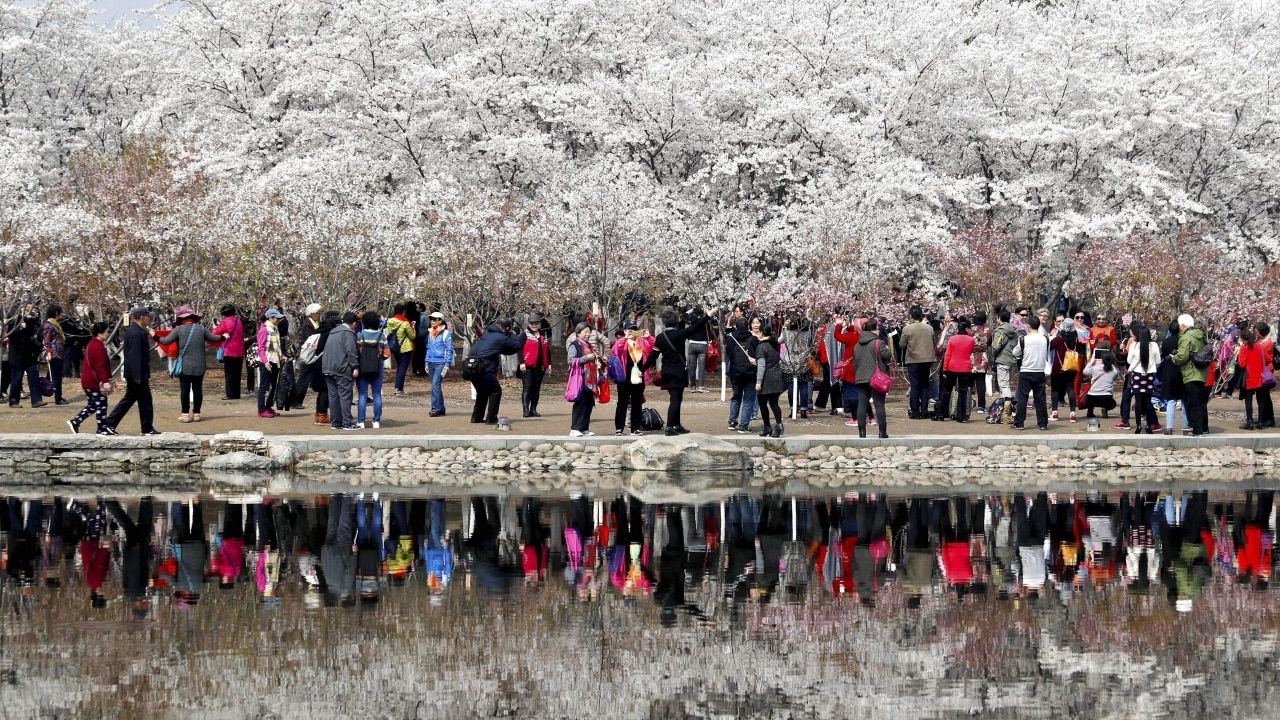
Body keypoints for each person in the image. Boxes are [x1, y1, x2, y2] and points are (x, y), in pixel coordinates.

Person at [642, 307, 711, 435]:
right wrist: (708, 316)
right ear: (675, 322)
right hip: (678, 372)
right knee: (675, 400)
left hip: (666, 372)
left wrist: (642, 369)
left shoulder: (660, 337)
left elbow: (653, 356)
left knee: (676, 398)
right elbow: (695, 327)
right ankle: (669, 427)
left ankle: (676, 424)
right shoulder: (680, 334)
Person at [156, 306, 223, 423]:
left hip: (184, 365)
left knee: (185, 389)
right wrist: (224, 336)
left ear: (182, 319)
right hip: (200, 365)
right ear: (193, 318)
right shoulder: (201, 328)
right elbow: (215, 339)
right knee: (198, 389)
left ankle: (185, 414)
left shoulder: (178, 330)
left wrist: (154, 335)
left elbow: (166, 341)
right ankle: (197, 414)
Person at [103, 308, 160, 436]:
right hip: (137, 374)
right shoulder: (135, 333)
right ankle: (109, 424)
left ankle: (146, 428)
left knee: (143, 400)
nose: (149, 319)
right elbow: (134, 355)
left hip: (139, 373)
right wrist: (137, 375)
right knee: (132, 399)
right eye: (148, 316)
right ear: (141, 317)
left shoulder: (138, 331)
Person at [467, 319, 524, 425]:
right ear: (506, 328)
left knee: (482, 392)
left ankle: (477, 417)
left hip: (471, 367)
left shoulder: (486, 334)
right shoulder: (499, 337)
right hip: (484, 368)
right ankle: (491, 418)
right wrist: (513, 334)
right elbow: (516, 346)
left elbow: (507, 350)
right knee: (495, 391)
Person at [68, 322, 113, 435]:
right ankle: (101, 428)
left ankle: (76, 421)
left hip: (88, 380)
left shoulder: (92, 343)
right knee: (101, 405)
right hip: (94, 381)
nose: (108, 334)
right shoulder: (98, 346)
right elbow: (100, 366)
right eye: (107, 331)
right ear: (100, 333)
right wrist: (106, 381)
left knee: (93, 405)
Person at [611, 320, 654, 436]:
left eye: (634, 330)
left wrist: (648, 337)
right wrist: (625, 338)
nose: (632, 332)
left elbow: (652, 349)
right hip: (624, 377)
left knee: (637, 402)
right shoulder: (621, 342)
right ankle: (619, 428)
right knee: (622, 402)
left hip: (639, 376)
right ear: (624, 330)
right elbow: (616, 351)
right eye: (629, 329)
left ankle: (635, 427)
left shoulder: (642, 342)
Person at [852, 317, 893, 438]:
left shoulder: (857, 345)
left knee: (862, 404)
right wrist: (888, 349)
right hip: (876, 377)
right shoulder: (878, 343)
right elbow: (887, 355)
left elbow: (855, 362)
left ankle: (862, 432)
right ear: (874, 330)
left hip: (860, 377)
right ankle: (882, 432)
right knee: (879, 404)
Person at [1170, 314, 1210, 436]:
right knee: (1199, 401)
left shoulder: (1186, 337)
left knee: (1192, 402)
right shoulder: (1200, 335)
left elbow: (1182, 357)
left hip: (1191, 373)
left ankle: (1197, 430)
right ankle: (1203, 428)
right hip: (1202, 372)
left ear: (1182, 325)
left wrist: (1173, 358)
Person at [1011, 315, 1050, 431]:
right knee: (1040, 398)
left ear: (1029, 326)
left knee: (1022, 398)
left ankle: (1019, 423)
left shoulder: (1023, 339)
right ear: (1039, 325)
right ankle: (1043, 423)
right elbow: (1046, 353)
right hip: (1039, 371)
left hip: (1026, 371)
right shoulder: (1045, 339)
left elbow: (1015, 353)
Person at [322, 311, 360, 431]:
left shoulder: (333, 332)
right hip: (341, 368)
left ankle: (336, 422)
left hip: (328, 367)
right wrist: (355, 367)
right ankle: (348, 422)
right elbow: (351, 352)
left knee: (333, 396)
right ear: (354, 323)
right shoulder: (348, 334)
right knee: (345, 396)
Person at [1124, 324, 1162, 433]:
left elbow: (1129, 361)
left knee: (1138, 400)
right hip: (1149, 375)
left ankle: (1139, 426)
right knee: (1148, 402)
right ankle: (1149, 425)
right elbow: (1158, 361)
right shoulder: (1154, 345)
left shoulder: (1134, 346)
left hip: (1137, 374)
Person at [901, 305, 936, 420]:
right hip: (927, 360)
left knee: (915, 386)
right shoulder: (929, 328)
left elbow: (901, 344)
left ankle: (915, 411)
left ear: (911, 316)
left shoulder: (907, 329)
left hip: (913, 360)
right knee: (925, 385)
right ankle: (924, 411)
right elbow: (934, 342)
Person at [5, 305, 44, 408]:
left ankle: (36, 400)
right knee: (17, 378)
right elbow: (11, 335)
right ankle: (13, 400)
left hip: (29, 353)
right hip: (17, 354)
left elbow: (36, 333)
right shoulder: (14, 320)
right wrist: (21, 327)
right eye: (27, 308)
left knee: (33, 376)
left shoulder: (32, 319)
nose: (30, 310)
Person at [355, 310, 389, 429]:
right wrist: (378, 360)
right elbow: (387, 353)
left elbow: (356, 353)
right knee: (377, 395)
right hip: (377, 368)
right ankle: (376, 421)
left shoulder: (360, 336)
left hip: (363, 368)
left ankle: (361, 421)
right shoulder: (382, 336)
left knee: (363, 395)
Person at [937, 318, 975, 422]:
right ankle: (961, 416)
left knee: (947, 390)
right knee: (963, 392)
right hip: (965, 367)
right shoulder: (971, 340)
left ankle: (941, 414)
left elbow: (948, 354)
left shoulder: (952, 339)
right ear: (966, 329)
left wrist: (944, 369)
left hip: (952, 366)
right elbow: (971, 352)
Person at [725, 317, 759, 433]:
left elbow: (729, 354)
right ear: (748, 327)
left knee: (736, 397)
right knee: (748, 400)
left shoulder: (731, 339)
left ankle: (732, 422)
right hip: (750, 374)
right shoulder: (753, 339)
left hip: (736, 373)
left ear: (736, 327)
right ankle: (743, 426)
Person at [565, 322, 598, 437]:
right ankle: (575, 428)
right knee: (580, 402)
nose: (588, 334)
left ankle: (584, 428)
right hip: (580, 378)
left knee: (589, 403)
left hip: (590, 379)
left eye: (589, 332)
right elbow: (571, 360)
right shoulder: (575, 345)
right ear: (578, 333)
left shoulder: (589, 345)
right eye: (586, 332)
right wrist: (586, 358)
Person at [753, 327, 786, 438]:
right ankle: (779, 425)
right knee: (774, 403)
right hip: (777, 377)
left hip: (766, 379)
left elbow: (762, 366)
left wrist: (758, 382)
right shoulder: (775, 345)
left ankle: (767, 426)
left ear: (762, 333)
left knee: (763, 404)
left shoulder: (761, 347)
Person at [1049, 318, 1082, 422]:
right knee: (1070, 389)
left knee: (1055, 389)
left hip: (1059, 367)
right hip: (1071, 368)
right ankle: (1073, 413)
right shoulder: (1076, 340)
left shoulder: (1058, 339)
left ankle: (1054, 412)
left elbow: (1049, 346)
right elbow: (1080, 350)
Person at [424, 311, 455, 417]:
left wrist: (447, 365)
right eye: (431, 319)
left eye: (435, 319)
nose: (432, 321)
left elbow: (449, 349)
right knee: (436, 386)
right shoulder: (430, 333)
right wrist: (426, 362)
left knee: (435, 385)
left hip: (440, 363)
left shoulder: (446, 333)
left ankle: (435, 408)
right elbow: (428, 348)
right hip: (431, 363)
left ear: (440, 321)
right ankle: (441, 408)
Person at [212, 304, 246, 400]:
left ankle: (230, 393)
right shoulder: (238, 322)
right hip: (239, 350)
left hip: (229, 350)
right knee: (237, 373)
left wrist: (215, 327)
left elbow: (215, 333)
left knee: (229, 373)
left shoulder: (225, 322)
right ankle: (236, 393)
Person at [520, 315, 551, 418]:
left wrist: (549, 363)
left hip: (540, 366)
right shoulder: (525, 334)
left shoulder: (543, 334)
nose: (534, 325)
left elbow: (547, 350)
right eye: (532, 323)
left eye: (536, 323)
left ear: (540, 324)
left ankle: (533, 409)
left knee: (536, 388)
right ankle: (526, 410)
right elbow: (518, 349)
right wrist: (521, 363)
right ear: (528, 324)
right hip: (527, 366)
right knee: (527, 388)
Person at [1235, 327, 1266, 430]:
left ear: (1243, 339)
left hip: (1249, 377)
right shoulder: (1259, 346)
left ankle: (1250, 422)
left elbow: (1242, 364)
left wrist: (1239, 353)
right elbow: (1267, 358)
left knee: (1248, 400)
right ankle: (1261, 421)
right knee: (1260, 399)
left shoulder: (1244, 348)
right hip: (1260, 376)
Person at [40, 305, 70, 405]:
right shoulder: (48, 325)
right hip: (54, 353)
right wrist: (48, 353)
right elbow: (46, 340)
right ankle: (58, 397)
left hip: (59, 353)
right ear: (56, 313)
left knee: (53, 375)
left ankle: (46, 390)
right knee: (56, 376)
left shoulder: (55, 324)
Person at [385, 303, 416, 396]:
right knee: (402, 369)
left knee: (399, 368)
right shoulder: (406, 323)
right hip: (405, 348)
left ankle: (397, 387)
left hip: (395, 347)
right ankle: (399, 389)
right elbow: (412, 336)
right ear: (403, 311)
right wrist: (413, 328)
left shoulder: (390, 321)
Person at [685, 312, 717, 393]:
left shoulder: (692, 319)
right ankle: (701, 386)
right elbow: (710, 333)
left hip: (692, 344)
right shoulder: (704, 321)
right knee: (701, 367)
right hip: (702, 344)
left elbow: (684, 315)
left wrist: (691, 310)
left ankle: (692, 387)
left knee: (692, 367)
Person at [991, 309, 1019, 400]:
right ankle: (1005, 407)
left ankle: (1007, 409)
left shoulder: (1000, 331)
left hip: (1002, 360)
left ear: (999, 318)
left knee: (1004, 386)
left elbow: (996, 347)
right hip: (1013, 361)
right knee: (1007, 384)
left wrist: (993, 354)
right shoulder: (1014, 331)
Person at [1083, 350, 1119, 419]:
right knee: (1113, 404)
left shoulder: (1095, 368)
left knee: (1090, 397)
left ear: (1102, 360)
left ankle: (1090, 412)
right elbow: (1116, 374)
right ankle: (1105, 408)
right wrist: (1111, 362)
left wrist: (1091, 361)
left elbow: (1084, 371)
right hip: (1106, 398)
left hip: (1092, 397)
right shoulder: (1113, 371)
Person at [1256, 322, 1275, 428]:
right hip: (1261, 370)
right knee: (1261, 396)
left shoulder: (1267, 343)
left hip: (1266, 370)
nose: (1256, 334)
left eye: (1257, 332)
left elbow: (1267, 358)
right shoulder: (1261, 341)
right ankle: (1263, 417)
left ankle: (1269, 418)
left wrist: (1259, 350)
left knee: (1264, 396)